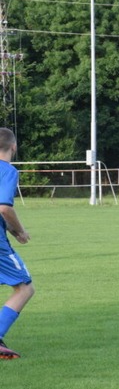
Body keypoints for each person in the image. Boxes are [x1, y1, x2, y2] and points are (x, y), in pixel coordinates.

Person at [0, 128, 35, 359]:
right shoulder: (8, 170)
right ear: (13, 146)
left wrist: (11, 231)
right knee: (24, 288)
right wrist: (20, 230)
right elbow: (4, 208)